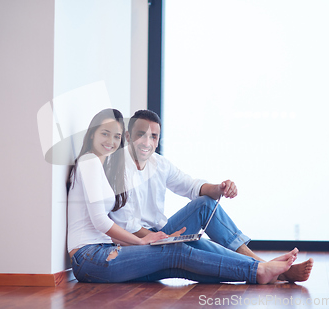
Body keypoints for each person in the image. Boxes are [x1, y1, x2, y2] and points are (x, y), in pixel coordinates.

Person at [67, 108, 299, 284]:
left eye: (154, 137)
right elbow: (109, 221)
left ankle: (261, 267)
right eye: (105, 134)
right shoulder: (104, 165)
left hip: (121, 245)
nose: (147, 142)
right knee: (183, 251)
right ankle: (259, 270)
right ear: (128, 137)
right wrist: (147, 241)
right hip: (101, 252)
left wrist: (219, 187)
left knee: (198, 222)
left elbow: (190, 185)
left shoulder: (121, 163)